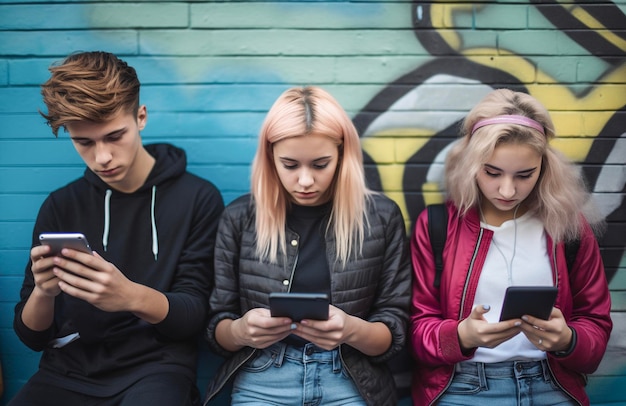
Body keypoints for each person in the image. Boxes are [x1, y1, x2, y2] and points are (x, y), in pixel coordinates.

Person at [10, 51, 224, 406]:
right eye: (85, 143)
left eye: (114, 136)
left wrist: (128, 296)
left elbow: (194, 317)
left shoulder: (197, 198)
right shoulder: (62, 206)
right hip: (67, 372)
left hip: (157, 369)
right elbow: (31, 336)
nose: (102, 157)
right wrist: (44, 292)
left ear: (141, 117)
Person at [203, 86, 411, 406]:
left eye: (319, 164)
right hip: (263, 379)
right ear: (270, 157)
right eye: (290, 165)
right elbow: (217, 327)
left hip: (350, 380)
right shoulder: (240, 218)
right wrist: (242, 331)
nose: (304, 181)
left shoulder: (381, 218)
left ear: (343, 154)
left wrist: (351, 330)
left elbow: (394, 331)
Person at [409, 88, 612, 406]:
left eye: (524, 175)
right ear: (472, 163)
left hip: (551, 385)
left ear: (544, 168)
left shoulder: (568, 227)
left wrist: (568, 340)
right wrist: (461, 336)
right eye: (492, 172)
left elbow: (596, 324)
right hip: (463, 389)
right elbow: (416, 329)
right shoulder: (436, 226)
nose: (507, 189)